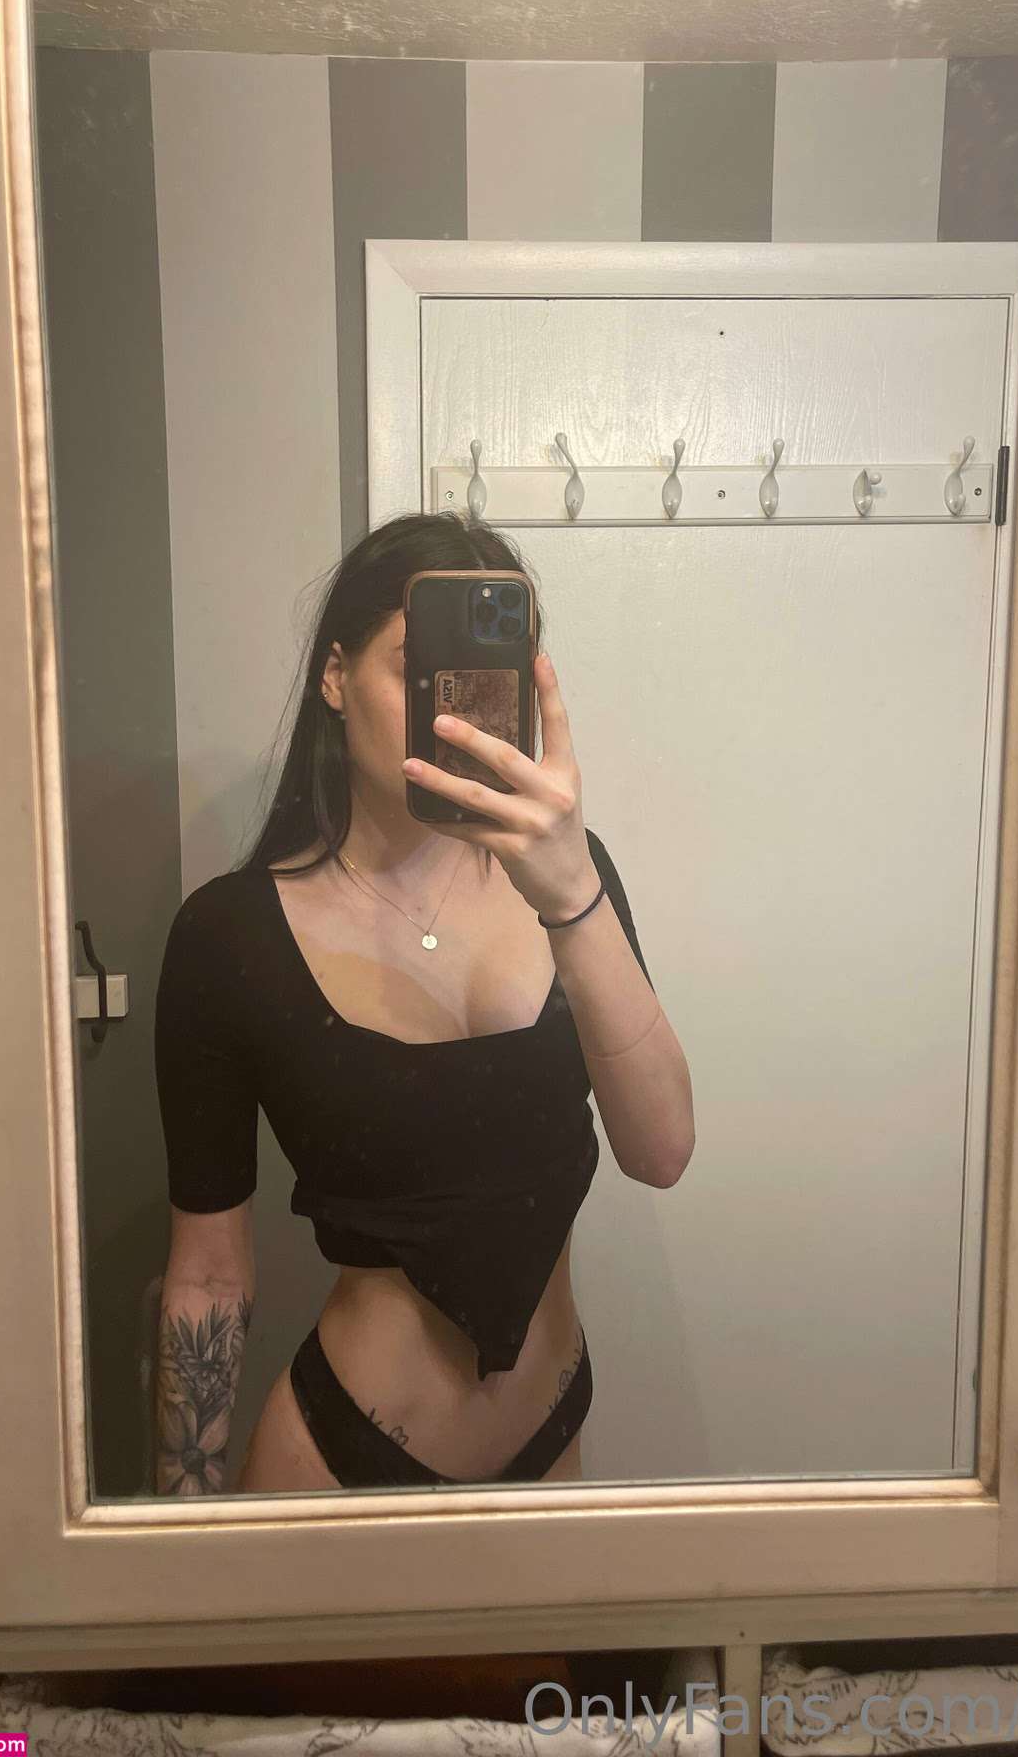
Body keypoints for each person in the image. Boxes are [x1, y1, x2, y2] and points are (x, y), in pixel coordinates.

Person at [151, 510, 694, 1494]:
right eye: (418, 670)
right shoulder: (228, 939)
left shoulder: (569, 885)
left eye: (481, 682)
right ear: (334, 676)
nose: (450, 717)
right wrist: (185, 1532)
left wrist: (573, 893)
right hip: (341, 1465)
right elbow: (208, 1275)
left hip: (554, 1443)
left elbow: (662, 1152)